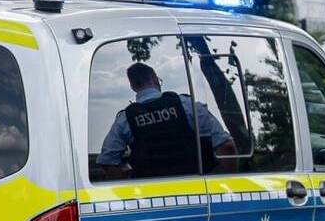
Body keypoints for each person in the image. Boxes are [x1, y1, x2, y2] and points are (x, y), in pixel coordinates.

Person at [96, 61, 235, 179]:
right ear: (155, 78)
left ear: (132, 86)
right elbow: (227, 147)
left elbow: (107, 161)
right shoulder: (188, 106)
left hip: (151, 196)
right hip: (197, 190)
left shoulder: (125, 120)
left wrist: (130, 187)